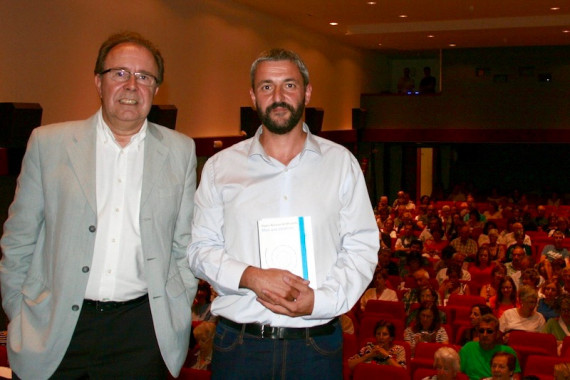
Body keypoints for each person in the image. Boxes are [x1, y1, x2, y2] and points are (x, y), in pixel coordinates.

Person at [0, 32, 198, 379]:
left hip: (140, 334)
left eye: (144, 77)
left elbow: (183, 246)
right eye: (119, 73)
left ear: (155, 89)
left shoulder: (180, 151)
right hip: (54, 329)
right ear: (98, 81)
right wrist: (20, 312)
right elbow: (18, 239)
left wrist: (177, 310)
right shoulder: (49, 144)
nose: (131, 85)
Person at [187, 48, 379, 379]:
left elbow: (361, 246)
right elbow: (199, 248)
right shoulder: (221, 167)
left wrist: (319, 301)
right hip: (240, 346)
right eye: (266, 87)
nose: (277, 96)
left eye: (289, 85)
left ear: (306, 92)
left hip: (316, 346)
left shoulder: (340, 164)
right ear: (253, 96)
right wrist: (250, 277)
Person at [459, 314, 521, 380]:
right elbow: (457, 374)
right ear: (478, 333)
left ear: (497, 334)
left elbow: (515, 377)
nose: (484, 335)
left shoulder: (507, 351)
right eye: (481, 331)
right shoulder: (468, 348)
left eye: (489, 331)